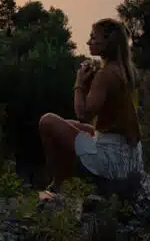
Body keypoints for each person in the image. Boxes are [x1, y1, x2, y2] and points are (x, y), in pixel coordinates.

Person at [38, 18, 144, 195]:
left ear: (108, 42)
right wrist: (91, 85)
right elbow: (107, 111)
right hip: (130, 159)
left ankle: (58, 185)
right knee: (70, 124)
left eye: (93, 38)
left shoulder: (105, 74)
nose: (88, 42)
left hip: (111, 162)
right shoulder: (128, 70)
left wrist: (79, 84)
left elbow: (83, 113)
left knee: (47, 121)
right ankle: (63, 183)